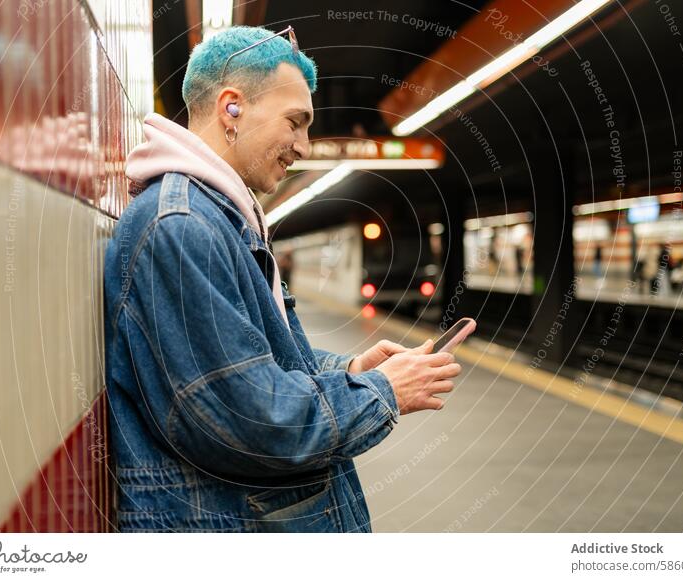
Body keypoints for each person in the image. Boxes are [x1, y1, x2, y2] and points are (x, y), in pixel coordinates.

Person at [103, 26, 461, 533]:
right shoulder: (182, 229)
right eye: (295, 122)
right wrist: (382, 391)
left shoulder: (218, 218)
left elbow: (256, 361)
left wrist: (353, 367)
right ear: (232, 107)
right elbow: (251, 421)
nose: (304, 146)